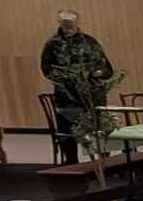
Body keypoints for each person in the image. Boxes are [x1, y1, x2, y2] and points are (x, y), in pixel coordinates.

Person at [40, 10, 113, 164]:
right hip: (68, 98)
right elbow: (47, 70)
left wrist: (97, 73)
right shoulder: (52, 44)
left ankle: (103, 165)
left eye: (70, 25)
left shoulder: (90, 42)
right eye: (64, 24)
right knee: (68, 133)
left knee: (99, 133)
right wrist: (66, 78)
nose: (67, 28)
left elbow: (107, 69)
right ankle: (71, 164)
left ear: (77, 23)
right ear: (60, 23)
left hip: (92, 97)